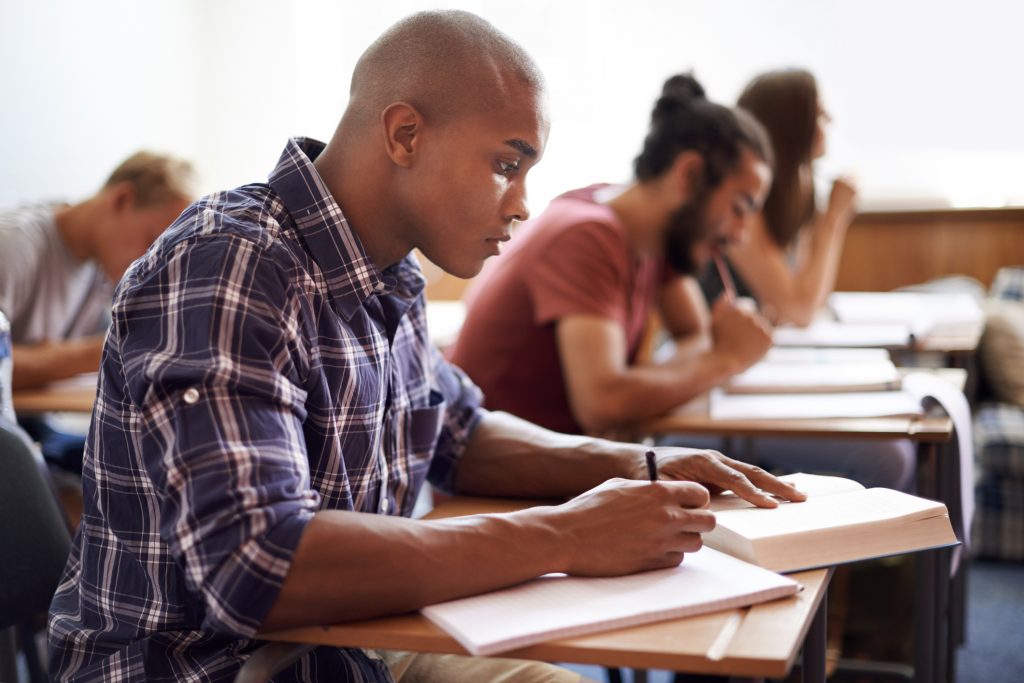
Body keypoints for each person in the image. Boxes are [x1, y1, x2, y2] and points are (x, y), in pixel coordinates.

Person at [47, 12, 804, 683]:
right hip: (204, 663)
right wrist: (568, 533)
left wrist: (638, 466)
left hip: (351, 648)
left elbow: (458, 429)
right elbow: (258, 562)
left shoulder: (392, 272)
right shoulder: (235, 262)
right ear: (405, 134)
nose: (523, 203)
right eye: (507, 163)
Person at [449, 74, 777, 436]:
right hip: (499, 481)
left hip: (571, 465)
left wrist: (670, 375)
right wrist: (725, 360)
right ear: (690, 175)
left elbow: (693, 333)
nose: (740, 233)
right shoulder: (588, 235)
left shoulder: (652, 232)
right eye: (739, 208)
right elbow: (603, 405)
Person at [0, 151, 195, 472]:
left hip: (33, 428)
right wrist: (106, 347)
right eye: (151, 241)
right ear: (121, 199)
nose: (152, 262)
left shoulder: (101, 268)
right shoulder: (14, 246)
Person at [699, 68, 857, 326]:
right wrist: (833, 220)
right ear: (790, 127)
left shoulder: (796, 194)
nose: (830, 120)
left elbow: (811, 300)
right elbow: (800, 311)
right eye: (818, 114)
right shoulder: (738, 203)